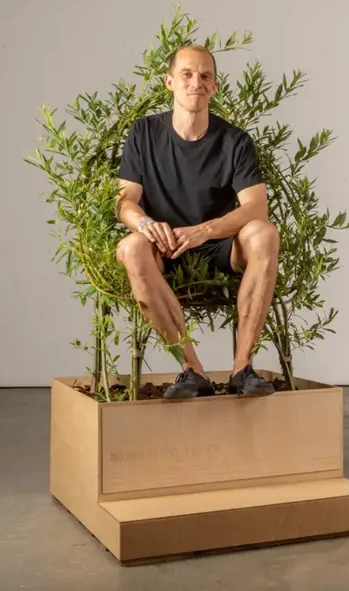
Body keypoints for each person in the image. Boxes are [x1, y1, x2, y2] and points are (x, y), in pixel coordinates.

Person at [113, 43, 279, 399]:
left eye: (205, 76)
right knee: (129, 247)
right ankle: (192, 370)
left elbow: (255, 209)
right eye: (187, 74)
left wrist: (205, 230)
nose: (196, 83)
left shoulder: (235, 141)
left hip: (217, 246)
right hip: (164, 247)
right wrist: (144, 225)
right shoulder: (143, 134)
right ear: (169, 82)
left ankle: (242, 369)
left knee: (264, 234)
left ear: (215, 87)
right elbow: (124, 202)